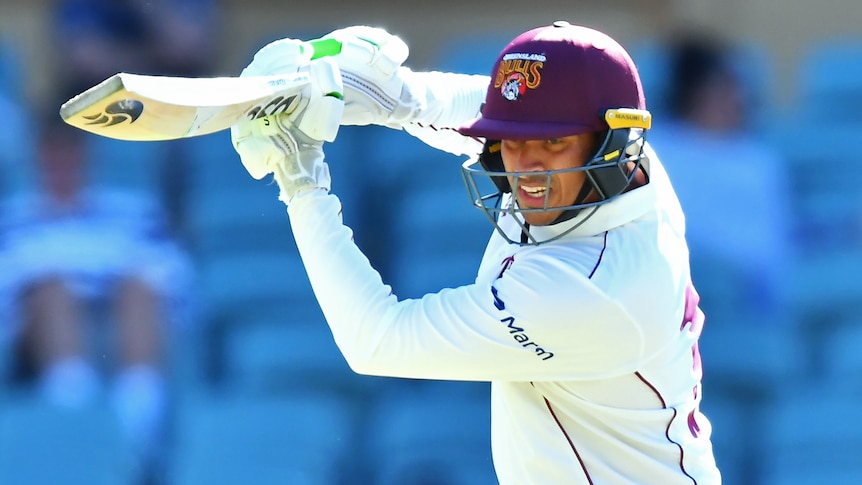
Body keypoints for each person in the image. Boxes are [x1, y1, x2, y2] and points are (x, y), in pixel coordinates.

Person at [230, 22, 721, 484]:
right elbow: (482, 108)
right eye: (512, 141)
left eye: (551, 142)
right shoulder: (626, 168)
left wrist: (300, 182)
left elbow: (375, 340)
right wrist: (391, 95)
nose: (525, 166)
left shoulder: (589, 288)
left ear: (610, 143)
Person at [0, 116, 191, 482]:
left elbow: (171, 273)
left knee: (138, 293)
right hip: (39, 328)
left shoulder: (133, 210)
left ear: (86, 157)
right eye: (51, 157)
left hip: (119, 316)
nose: (61, 167)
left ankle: (137, 430)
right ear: (37, 161)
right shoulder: (12, 219)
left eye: (69, 155)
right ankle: (77, 412)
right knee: (53, 293)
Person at [647, 33, 793, 325]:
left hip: (752, 310)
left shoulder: (759, 161)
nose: (738, 98)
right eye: (724, 87)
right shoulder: (653, 151)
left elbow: (773, 245)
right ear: (695, 93)